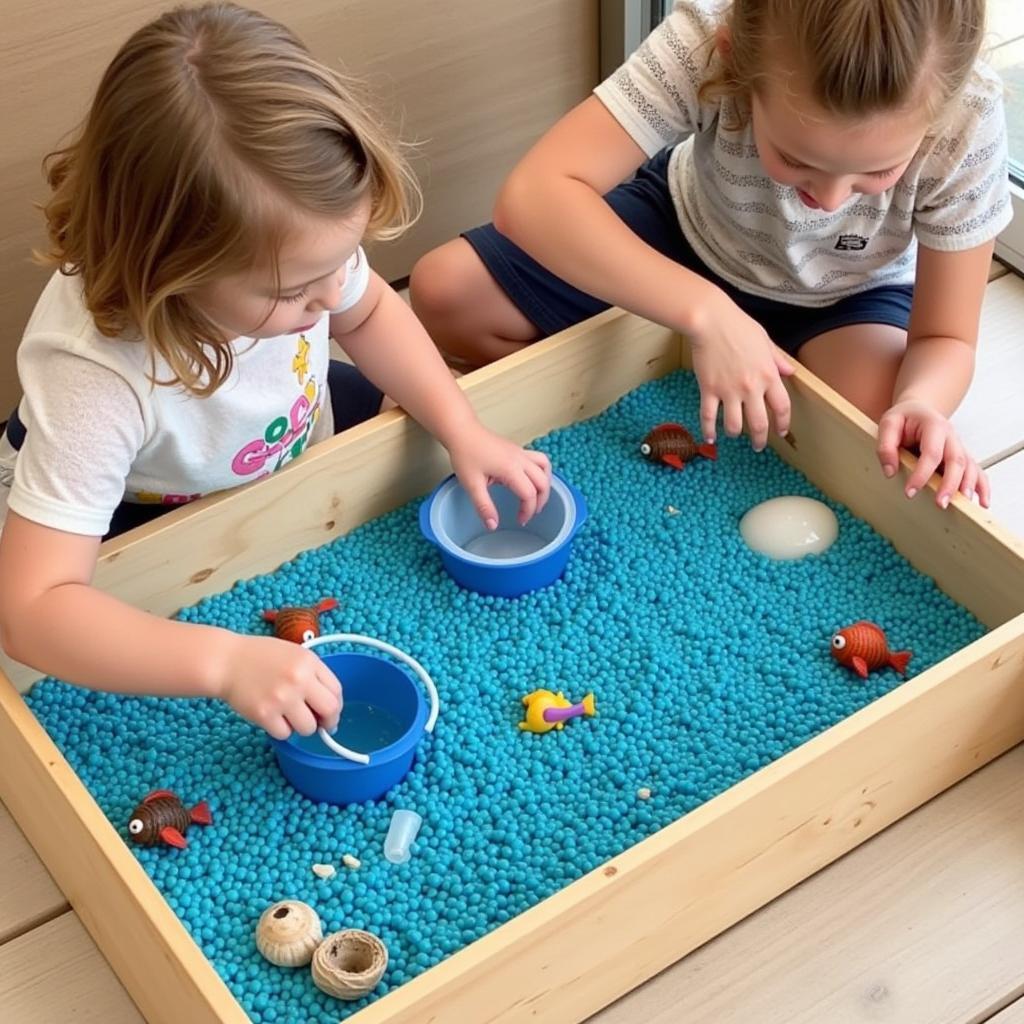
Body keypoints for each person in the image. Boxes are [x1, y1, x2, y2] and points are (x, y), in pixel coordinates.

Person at [0, 2, 551, 741]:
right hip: (141, 499)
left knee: (400, 420)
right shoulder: (96, 376)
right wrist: (225, 663)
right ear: (169, 267)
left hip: (280, 430)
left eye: (339, 263)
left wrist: (462, 427)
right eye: (294, 291)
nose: (331, 295)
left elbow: (372, 316)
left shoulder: (297, 244)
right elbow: (33, 607)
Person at [410, 0, 1010, 510]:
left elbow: (946, 339)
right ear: (734, 62)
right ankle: (677, 360)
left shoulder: (968, 119)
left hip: (847, 298)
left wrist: (922, 402)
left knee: (876, 434)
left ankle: (691, 374)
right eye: (796, 158)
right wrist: (705, 313)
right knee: (445, 291)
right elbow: (533, 196)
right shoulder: (706, 41)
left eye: (877, 170)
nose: (827, 199)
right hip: (683, 237)